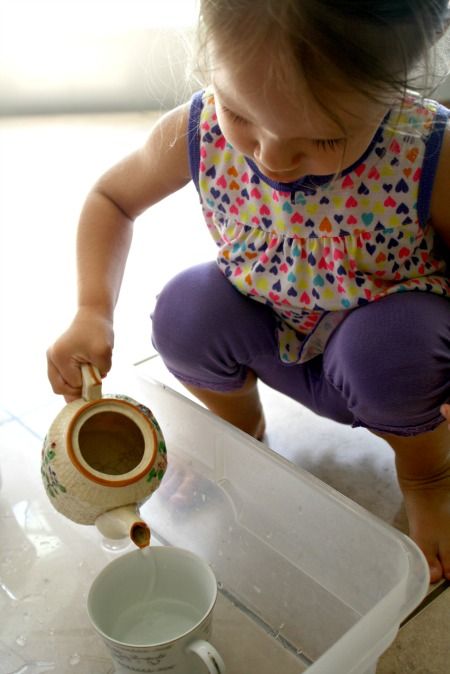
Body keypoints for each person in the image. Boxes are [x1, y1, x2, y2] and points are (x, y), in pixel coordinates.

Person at [47, 0, 450, 582]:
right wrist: (91, 310)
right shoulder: (200, 125)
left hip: (393, 361)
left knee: (386, 351)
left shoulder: (425, 149)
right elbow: (111, 199)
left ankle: (427, 475)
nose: (272, 157)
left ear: (393, 93)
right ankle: (239, 436)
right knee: (185, 312)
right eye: (241, 114)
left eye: (323, 141)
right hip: (276, 333)